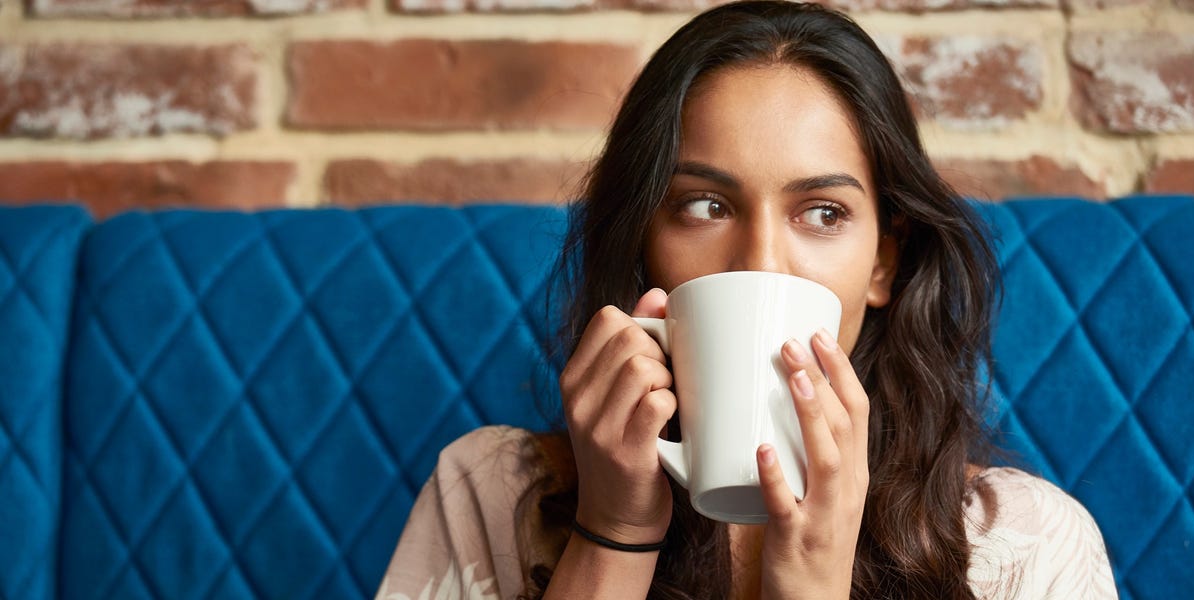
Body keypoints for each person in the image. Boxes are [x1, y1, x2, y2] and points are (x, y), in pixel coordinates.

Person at [375, 2, 1117, 598]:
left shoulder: (1026, 549)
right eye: (703, 206)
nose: (762, 265)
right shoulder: (489, 496)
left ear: (883, 264)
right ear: (643, 246)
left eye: (823, 213)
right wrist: (611, 536)